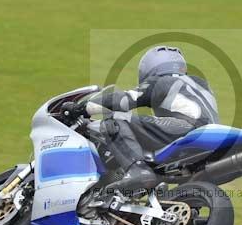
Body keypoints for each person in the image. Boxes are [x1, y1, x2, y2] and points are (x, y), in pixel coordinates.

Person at [75, 45, 218, 194]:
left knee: (116, 119)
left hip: (185, 127)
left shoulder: (162, 81)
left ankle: (137, 170)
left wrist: (83, 107)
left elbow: (124, 101)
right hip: (212, 136)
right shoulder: (201, 84)